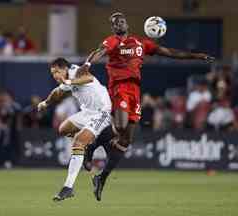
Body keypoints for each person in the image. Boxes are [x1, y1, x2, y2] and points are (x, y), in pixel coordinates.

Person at [77, 12, 215, 201]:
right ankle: (91, 147)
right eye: (115, 23)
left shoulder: (141, 44)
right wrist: (87, 63)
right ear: (113, 28)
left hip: (135, 91)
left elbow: (170, 53)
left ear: (127, 24)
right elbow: (99, 51)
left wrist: (196, 56)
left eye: (122, 21)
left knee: (126, 141)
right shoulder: (113, 41)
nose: (120, 24)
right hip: (120, 88)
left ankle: (101, 179)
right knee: (121, 126)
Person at [37, 58, 112, 202]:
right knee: (63, 129)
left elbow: (89, 78)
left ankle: (68, 187)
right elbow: (57, 92)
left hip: (102, 112)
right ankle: (86, 147)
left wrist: (70, 82)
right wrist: (46, 103)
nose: (55, 76)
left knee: (77, 142)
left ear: (65, 69)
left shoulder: (76, 72)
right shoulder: (66, 80)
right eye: (52, 74)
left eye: (56, 72)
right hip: (87, 112)